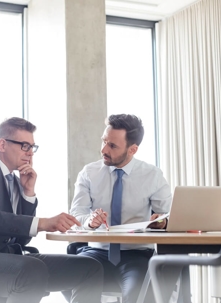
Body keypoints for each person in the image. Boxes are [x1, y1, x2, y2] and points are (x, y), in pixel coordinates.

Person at [0, 117, 104, 303]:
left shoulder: (14, 180)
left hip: (8, 257)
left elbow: (22, 239)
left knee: (90, 267)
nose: (30, 153)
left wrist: (28, 192)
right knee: (31, 270)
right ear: (2, 144)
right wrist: (44, 223)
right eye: (24, 146)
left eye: (32, 147)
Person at [69, 114, 172, 303]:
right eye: (104, 141)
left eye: (112, 146)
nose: (103, 149)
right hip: (96, 252)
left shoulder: (152, 175)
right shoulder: (89, 173)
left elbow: (171, 217)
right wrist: (90, 222)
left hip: (137, 255)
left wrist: (162, 222)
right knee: (79, 287)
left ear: (133, 149)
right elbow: (77, 215)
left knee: (137, 296)